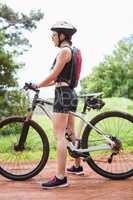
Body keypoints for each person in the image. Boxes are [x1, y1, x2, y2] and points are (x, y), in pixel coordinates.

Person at [34, 21, 83, 189]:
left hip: (63, 95)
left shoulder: (63, 51)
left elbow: (53, 75)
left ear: (62, 35)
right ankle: (77, 166)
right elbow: (59, 78)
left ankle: (61, 178)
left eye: (54, 35)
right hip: (71, 93)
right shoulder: (75, 51)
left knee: (59, 135)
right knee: (70, 132)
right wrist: (41, 83)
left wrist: (37, 85)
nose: (52, 39)